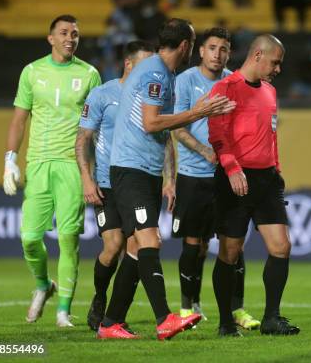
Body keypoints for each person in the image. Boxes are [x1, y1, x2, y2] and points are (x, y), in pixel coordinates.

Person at [96, 18, 235, 340]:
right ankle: (164, 319)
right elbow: (151, 123)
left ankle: (110, 322)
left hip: (145, 169)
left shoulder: (164, 74)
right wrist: (198, 113)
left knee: (134, 248)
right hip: (131, 168)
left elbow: (167, 123)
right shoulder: (156, 72)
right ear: (186, 45)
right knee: (149, 239)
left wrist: (197, 109)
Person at [3, 15, 102, 327]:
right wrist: (9, 159)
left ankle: (62, 311)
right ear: (51, 39)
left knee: (68, 238)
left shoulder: (90, 74)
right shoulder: (32, 72)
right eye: (64, 33)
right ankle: (44, 285)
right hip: (39, 163)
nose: (70, 38)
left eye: (75, 33)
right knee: (30, 238)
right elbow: (19, 119)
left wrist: (94, 171)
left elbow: (97, 128)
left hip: (72, 165)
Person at [208, 34, 300, 337]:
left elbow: (271, 135)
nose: (278, 69)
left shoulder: (270, 92)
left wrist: (277, 168)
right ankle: (225, 322)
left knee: (281, 247)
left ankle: (272, 318)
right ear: (258, 55)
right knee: (230, 252)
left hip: (266, 180)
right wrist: (232, 168)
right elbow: (217, 134)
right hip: (235, 178)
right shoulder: (226, 88)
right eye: (276, 62)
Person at [172, 27, 260, 330]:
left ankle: (238, 310)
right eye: (212, 48)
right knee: (193, 243)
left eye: (223, 49)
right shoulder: (185, 81)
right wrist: (205, 150)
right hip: (193, 175)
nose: (217, 54)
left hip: (225, 175)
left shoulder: (235, 81)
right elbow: (177, 127)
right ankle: (188, 307)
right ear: (201, 51)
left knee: (233, 244)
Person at [75, 40, 155, 332]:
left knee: (134, 249)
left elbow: (164, 139)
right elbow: (83, 138)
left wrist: (168, 179)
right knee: (114, 245)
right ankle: (100, 297)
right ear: (129, 64)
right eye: (146, 64)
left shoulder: (151, 97)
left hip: (138, 183)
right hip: (107, 184)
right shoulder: (102, 94)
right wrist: (87, 178)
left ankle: (115, 315)